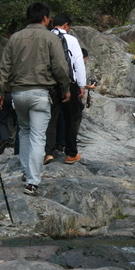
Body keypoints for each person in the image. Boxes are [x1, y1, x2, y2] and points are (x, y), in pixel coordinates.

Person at [0, 2, 71, 197]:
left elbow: (4, 66)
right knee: (38, 136)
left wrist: (0, 91)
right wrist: (65, 88)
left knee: (24, 131)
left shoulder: (15, 37)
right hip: (41, 93)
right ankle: (32, 182)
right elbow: (60, 67)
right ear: (45, 18)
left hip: (18, 93)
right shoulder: (50, 38)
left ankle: (26, 171)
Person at [44, 13, 86, 165]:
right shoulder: (71, 39)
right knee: (71, 118)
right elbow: (78, 64)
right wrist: (82, 85)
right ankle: (71, 153)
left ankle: (48, 152)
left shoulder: (46, 37)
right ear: (66, 25)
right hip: (69, 83)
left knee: (50, 117)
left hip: (49, 83)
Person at [0, 62, 18, 155]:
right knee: (18, 122)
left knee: (1, 121)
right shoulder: (18, 63)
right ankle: (17, 146)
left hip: (4, 94)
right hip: (17, 94)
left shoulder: (0, 64)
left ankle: (4, 139)